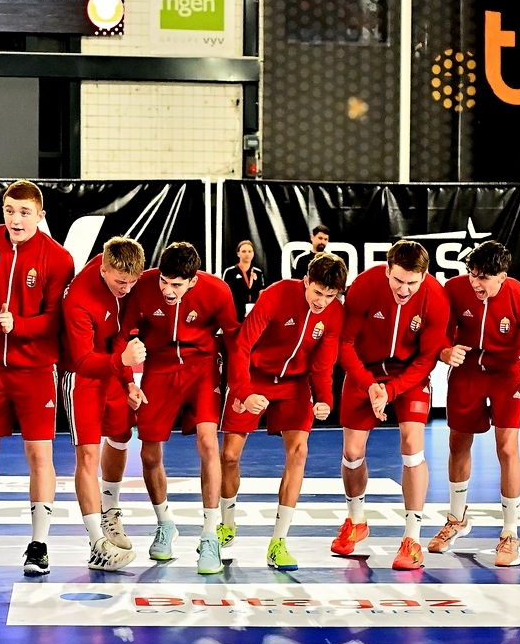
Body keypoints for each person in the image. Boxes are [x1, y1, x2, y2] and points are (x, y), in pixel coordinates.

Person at [0, 181, 76, 573]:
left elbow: (56, 319)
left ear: (40, 215)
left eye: (24, 212)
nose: (16, 219)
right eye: (9, 210)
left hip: (35, 369)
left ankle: (39, 543)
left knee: (40, 454)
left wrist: (17, 324)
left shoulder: (58, 258)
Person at [219, 253, 346, 571]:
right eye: (318, 292)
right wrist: (244, 391)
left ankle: (279, 542)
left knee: (299, 452)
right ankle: (227, 523)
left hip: (294, 385)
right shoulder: (276, 295)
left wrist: (324, 398)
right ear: (306, 281)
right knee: (230, 456)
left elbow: (324, 362)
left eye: (330, 296)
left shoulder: (334, 313)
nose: (322, 302)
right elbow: (242, 345)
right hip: (255, 378)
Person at [430, 240, 520, 568]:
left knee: (507, 448)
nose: (475, 282)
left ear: (502, 276)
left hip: (505, 374)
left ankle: (510, 532)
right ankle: (457, 518)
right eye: (472, 273)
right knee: (457, 444)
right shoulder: (455, 289)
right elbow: (438, 332)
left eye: (483, 277)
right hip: (467, 371)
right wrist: (444, 352)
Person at [123, 242, 241, 575]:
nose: (168, 290)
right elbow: (122, 334)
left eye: (176, 284)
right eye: (164, 281)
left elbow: (234, 338)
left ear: (193, 281)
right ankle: (165, 524)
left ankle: (210, 534)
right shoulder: (144, 286)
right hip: (159, 367)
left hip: (202, 366)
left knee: (208, 442)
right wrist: (127, 380)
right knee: (148, 453)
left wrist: (240, 387)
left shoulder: (217, 290)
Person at [336, 241, 449, 570]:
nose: (404, 289)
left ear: (424, 276)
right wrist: (369, 384)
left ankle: (412, 539)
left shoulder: (436, 298)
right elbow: (345, 344)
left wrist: (392, 389)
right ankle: (356, 520)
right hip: (366, 372)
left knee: (412, 447)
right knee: (352, 452)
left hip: (408, 375)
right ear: (387, 270)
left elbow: (427, 360)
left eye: (412, 282)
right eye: (398, 280)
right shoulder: (365, 286)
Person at [59, 237, 148, 572]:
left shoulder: (121, 271)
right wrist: (122, 362)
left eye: (132, 282)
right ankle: (97, 544)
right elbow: (83, 360)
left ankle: (110, 513)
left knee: (122, 436)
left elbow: (118, 338)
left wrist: (128, 381)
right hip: (81, 376)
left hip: (112, 367)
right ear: (103, 269)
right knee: (87, 455)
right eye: (120, 282)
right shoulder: (79, 300)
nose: (127, 289)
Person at [223, 240, 265, 320]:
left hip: (254, 313)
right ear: (238, 253)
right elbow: (225, 293)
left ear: (253, 253)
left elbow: (261, 292)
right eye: (244, 251)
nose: (247, 254)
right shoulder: (230, 272)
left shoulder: (258, 272)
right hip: (235, 313)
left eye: (249, 251)